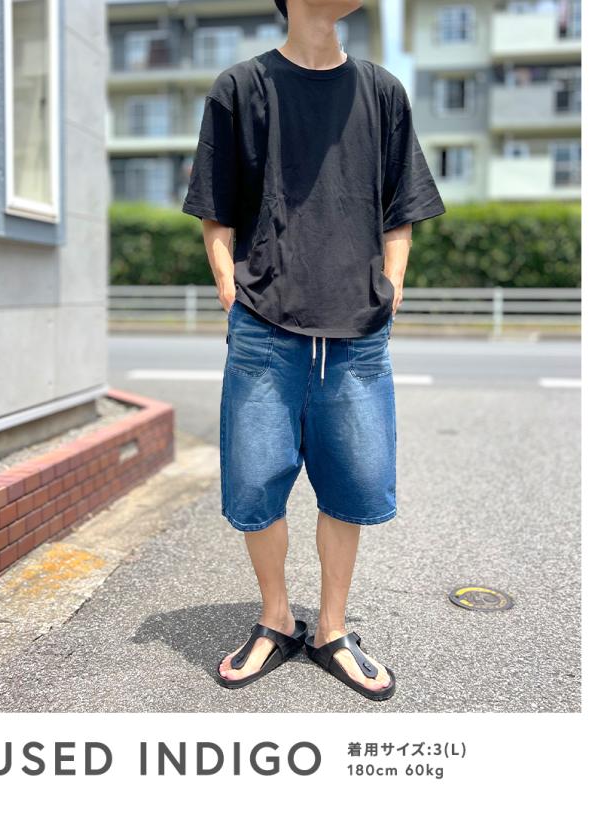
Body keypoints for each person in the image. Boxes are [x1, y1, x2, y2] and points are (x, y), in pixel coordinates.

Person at [181, 0, 445, 701]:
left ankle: (331, 628)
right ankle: (275, 618)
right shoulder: (241, 87)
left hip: (356, 331)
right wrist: (228, 286)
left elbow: (401, 206)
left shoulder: (381, 91)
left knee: (353, 484)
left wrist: (392, 285)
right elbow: (215, 204)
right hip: (265, 327)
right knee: (255, 485)